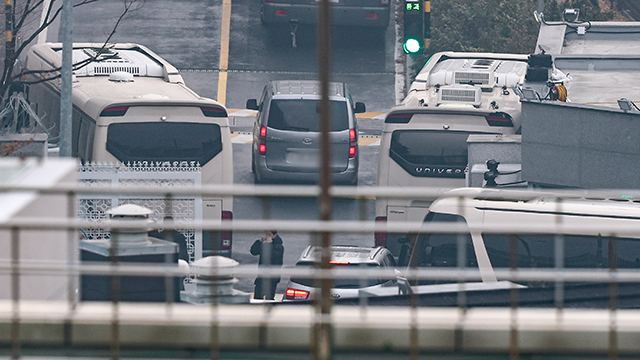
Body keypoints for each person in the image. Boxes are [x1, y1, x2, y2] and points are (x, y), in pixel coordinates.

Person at [250, 230, 284, 300]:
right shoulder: (265, 244)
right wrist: (259, 242)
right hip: (262, 275)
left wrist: (268, 244)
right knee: (257, 296)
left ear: (275, 235)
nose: (267, 237)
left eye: (269, 235)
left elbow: (272, 256)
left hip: (272, 277)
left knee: (269, 297)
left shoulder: (279, 246)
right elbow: (254, 251)